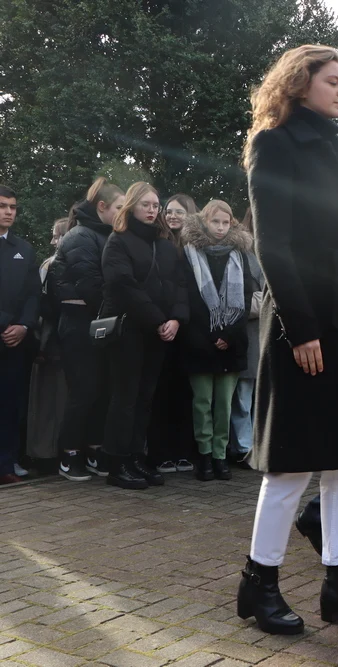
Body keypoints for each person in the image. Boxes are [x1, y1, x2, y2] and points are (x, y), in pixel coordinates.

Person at [239, 45, 338, 636]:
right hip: (301, 322)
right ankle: (259, 586)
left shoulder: (335, 146)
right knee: (292, 469)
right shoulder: (274, 144)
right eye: (333, 80)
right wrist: (301, 329)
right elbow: (272, 244)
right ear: (300, 83)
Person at [101, 182, 188, 489]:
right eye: (146, 205)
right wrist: (157, 319)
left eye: (156, 205)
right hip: (129, 331)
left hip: (159, 332)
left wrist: (176, 319)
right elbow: (123, 286)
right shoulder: (118, 241)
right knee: (125, 398)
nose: (152, 210)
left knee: (145, 398)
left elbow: (179, 284)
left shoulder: (165, 243)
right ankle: (118, 462)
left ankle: (137, 456)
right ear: (132, 207)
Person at [48, 179, 124, 480]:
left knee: (102, 390)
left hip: (99, 324)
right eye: (119, 207)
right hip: (80, 326)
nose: (123, 213)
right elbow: (91, 287)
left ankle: (94, 450)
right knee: (84, 392)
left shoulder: (104, 235)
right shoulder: (80, 236)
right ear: (102, 207)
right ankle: (69, 455)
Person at [180, 200, 255, 481]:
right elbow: (189, 298)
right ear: (204, 222)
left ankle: (221, 456)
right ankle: (204, 456)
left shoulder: (239, 254)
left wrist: (227, 335)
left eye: (226, 222)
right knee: (202, 402)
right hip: (199, 341)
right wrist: (210, 334)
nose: (221, 228)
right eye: (216, 222)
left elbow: (245, 299)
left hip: (231, 343)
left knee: (224, 404)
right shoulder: (189, 253)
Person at [147, 193, 200, 475]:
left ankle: (182, 451)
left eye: (179, 212)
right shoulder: (159, 244)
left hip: (192, 329)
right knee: (162, 391)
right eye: (168, 211)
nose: (172, 216)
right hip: (165, 326)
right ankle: (162, 452)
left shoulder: (198, 247)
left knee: (185, 393)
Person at [0, 185, 40, 486]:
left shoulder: (24, 249)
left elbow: (33, 294)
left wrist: (24, 325)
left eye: (13, 207)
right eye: (3, 206)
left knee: (11, 402)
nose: (9, 212)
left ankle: (6, 463)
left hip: (16, 341)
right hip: (5, 331)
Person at [25, 218, 70, 467]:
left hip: (51, 341)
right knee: (49, 401)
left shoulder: (53, 265)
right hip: (51, 344)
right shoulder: (48, 265)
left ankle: (48, 453)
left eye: (56, 235)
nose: (53, 241)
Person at [230, 209, 264, 463]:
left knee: (260, 395)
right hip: (249, 331)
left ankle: (257, 443)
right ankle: (243, 446)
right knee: (244, 393)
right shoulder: (240, 251)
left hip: (270, 334)